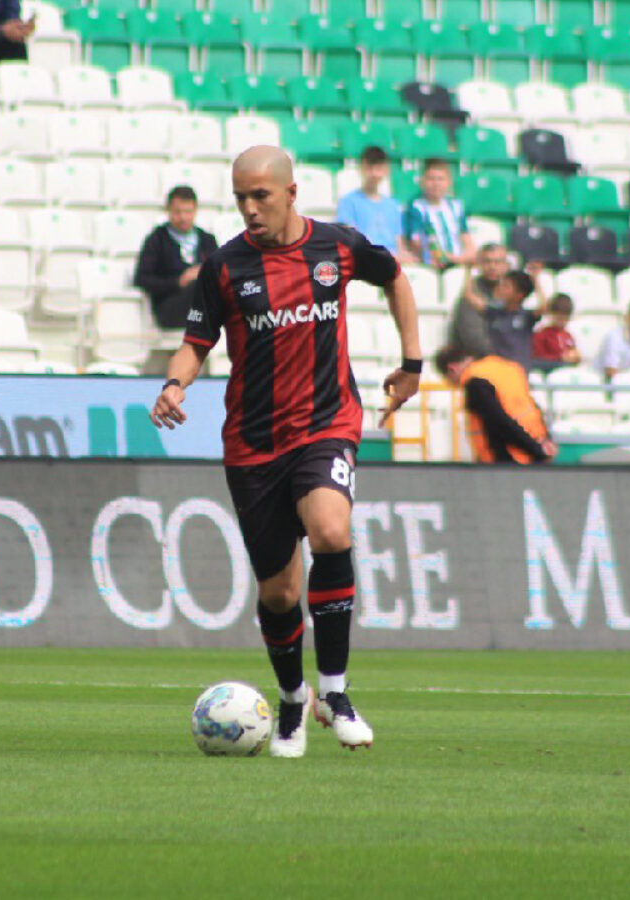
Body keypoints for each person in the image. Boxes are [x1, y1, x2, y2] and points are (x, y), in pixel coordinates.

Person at [150, 146, 421, 758]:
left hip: (327, 423)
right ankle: (295, 699)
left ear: (291, 193)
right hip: (253, 444)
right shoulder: (225, 267)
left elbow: (395, 276)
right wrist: (174, 383)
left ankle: (336, 692)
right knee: (278, 593)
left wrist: (412, 363)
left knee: (331, 530)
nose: (249, 208)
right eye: (240, 198)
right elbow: (196, 341)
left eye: (260, 196)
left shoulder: (337, 246)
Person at [441, 349, 556, 465]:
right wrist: (544, 445)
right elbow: (533, 407)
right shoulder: (508, 367)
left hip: (510, 459)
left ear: (452, 369)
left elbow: (499, 423)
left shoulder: (475, 381)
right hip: (537, 446)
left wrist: (536, 450)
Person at [133, 185, 219, 330]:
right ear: (168, 211)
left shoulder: (207, 240)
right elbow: (142, 279)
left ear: (195, 211)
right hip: (170, 306)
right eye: (177, 212)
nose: (183, 217)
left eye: (187, 212)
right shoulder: (157, 240)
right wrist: (179, 281)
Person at [436, 242, 510, 368]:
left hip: (504, 360)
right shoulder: (470, 295)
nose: (492, 267)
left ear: (507, 265)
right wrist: (505, 357)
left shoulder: (511, 293)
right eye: (487, 262)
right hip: (476, 363)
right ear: (479, 264)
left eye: (497, 262)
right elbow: (474, 341)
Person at [335, 146, 412, 260]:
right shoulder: (348, 202)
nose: (374, 174)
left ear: (386, 170)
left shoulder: (393, 205)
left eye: (379, 169)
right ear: (361, 169)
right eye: (369, 168)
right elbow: (349, 239)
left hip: (393, 259)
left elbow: (399, 241)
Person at [402, 158, 476, 270]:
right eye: (431, 179)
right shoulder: (416, 207)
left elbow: (467, 240)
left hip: (457, 263)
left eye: (441, 179)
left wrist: (461, 257)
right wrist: (435, 256)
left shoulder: (456, 205)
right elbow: (416, 243)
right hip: (430, 265)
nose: (436, 184)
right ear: (422, 181)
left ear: (449, 182)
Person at [486, 266, 546, 372]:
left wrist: (535, 280)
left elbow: (543, 307)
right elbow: (471, 298)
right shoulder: (494, 312)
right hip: (497, 370)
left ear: (519, 295)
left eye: (506, 286)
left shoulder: (526, 316)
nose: (501, 288)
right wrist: (468, 270)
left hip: (518, 371)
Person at [531, 292, 581, 371]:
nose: (562, 322)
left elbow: (572, 353)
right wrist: (560, 358)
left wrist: (576, 357)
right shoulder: (542, 335)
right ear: (551, 314)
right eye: (559, 318)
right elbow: (539, 359)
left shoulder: (568, 335)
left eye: (565, 319)